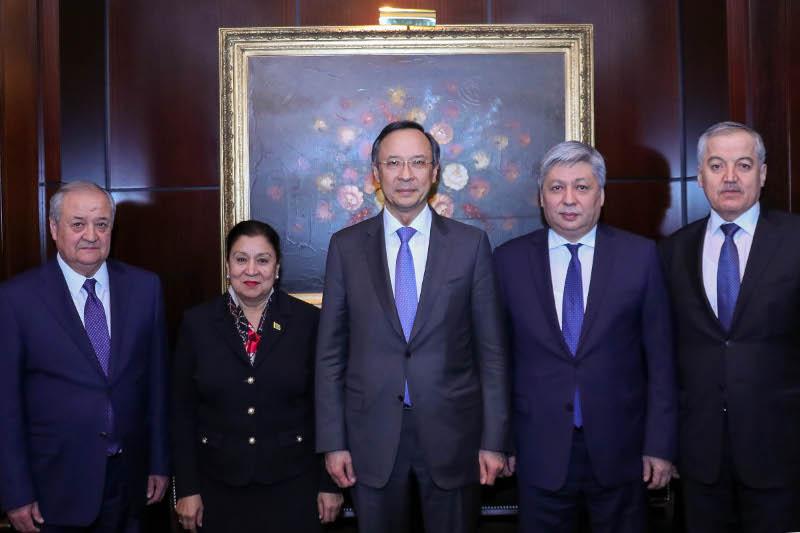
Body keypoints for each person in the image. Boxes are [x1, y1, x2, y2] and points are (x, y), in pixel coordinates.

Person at [315, 120, 509, 533]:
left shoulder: (470, 245)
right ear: (376, 172)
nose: (406, 175)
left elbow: (491, 353)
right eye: (394, 163)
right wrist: (333, 442)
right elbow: (330, 354)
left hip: (454, 436)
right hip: (370, 438)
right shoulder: (346, 248)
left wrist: (494, 441)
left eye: (418, 162)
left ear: (434, 172)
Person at [493, 141, 677, 533]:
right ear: (541, 198)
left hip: (622, 450)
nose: (568, 199)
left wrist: (659, 445)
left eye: (581, 186)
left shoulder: (641, 257)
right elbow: (498, 362)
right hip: (537, 450)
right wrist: (500, 441)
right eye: (556, 188)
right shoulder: (508, 262)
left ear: (601, 195)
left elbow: (661, 362)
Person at [0, 181, 170, 532]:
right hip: (54, 486)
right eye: (78, 224)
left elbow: (157, 385)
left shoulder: (145, 288)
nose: (91, 235)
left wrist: (159, 462)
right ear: (54, 228)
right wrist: (15, 491)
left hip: (131, 482)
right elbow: (6, 405)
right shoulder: (16, 299)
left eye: (101, 224)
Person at [659, 121, 800, 533]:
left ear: (763, 173)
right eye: (717, 165)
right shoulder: (672, 252)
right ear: (700, 176)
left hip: (783, 451)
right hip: (700, 457)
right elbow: (664, 356)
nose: (731, 177)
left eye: (744, 165)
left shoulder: (796, 240)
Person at [171, 220, 342, 532]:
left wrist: (329, 484)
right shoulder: (197, 323)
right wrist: (186, 488)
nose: (251, 270)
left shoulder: (308, 322)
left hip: (294, 484)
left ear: (277, 268)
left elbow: (326, 406)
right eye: (241, 259)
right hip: (216, 485)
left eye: (262, 260)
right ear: (228, 265)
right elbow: (181, 412)